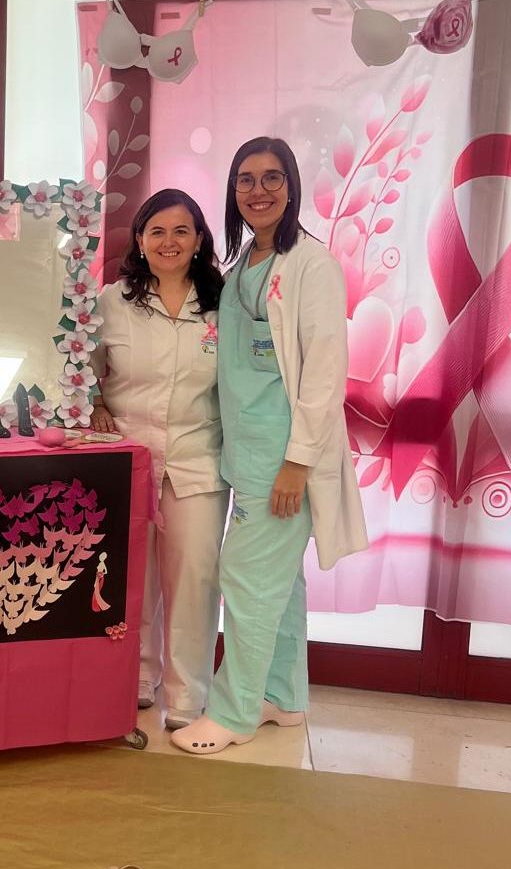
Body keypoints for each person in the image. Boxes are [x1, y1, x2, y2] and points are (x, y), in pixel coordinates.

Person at [172, 136, 368, 755]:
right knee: (280, 585)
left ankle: (232, 715)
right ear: (233, 191)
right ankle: (282, 697)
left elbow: (325, 374)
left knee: (246, 579)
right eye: (246, 179)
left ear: (292, 186)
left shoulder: (312, 266)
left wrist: (297, 464)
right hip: (247, 455)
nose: (258, 191)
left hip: (283, 460)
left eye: (272, 178)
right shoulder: (242, 267)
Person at [90, 188, 228, 731]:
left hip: (199, 459)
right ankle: (138, 679)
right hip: (128, 456)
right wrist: (95, 404)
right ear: (140, 240)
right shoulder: (112, 302)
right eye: (157, 232)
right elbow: (78, 370)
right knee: (132, 576)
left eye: (181, 231)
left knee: (194, 577)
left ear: (198, 240)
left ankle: (188, 695)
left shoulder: (223, 305)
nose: (169, 242)